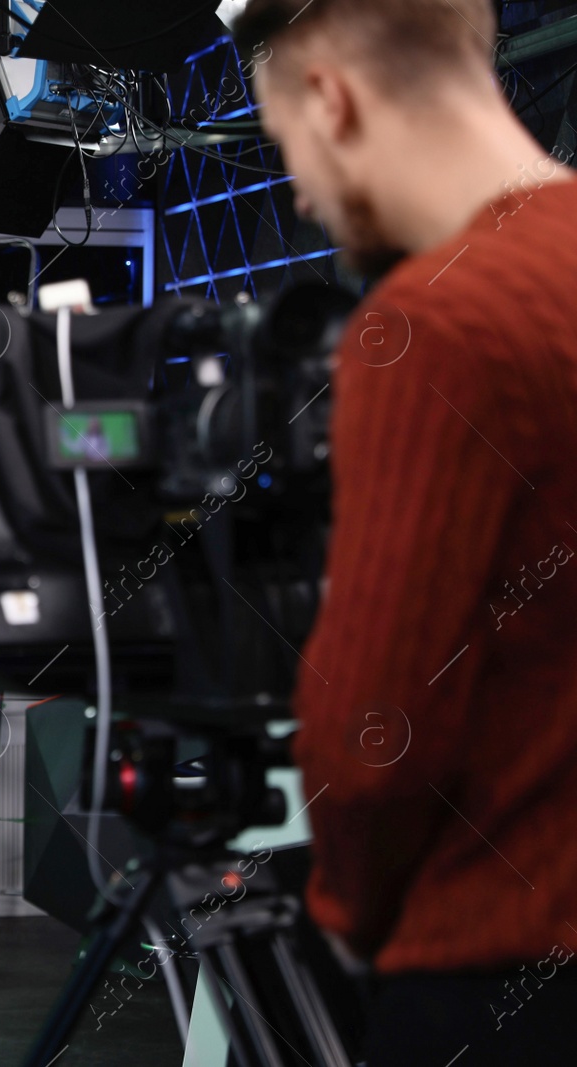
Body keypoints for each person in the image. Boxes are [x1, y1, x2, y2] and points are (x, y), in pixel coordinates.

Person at [234, 0, 577, 1061]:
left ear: (331, 99)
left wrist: (343, 911)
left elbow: (374, 738)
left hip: (488, 966)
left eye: (285, 145)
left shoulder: (432, 323)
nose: (296, 192)